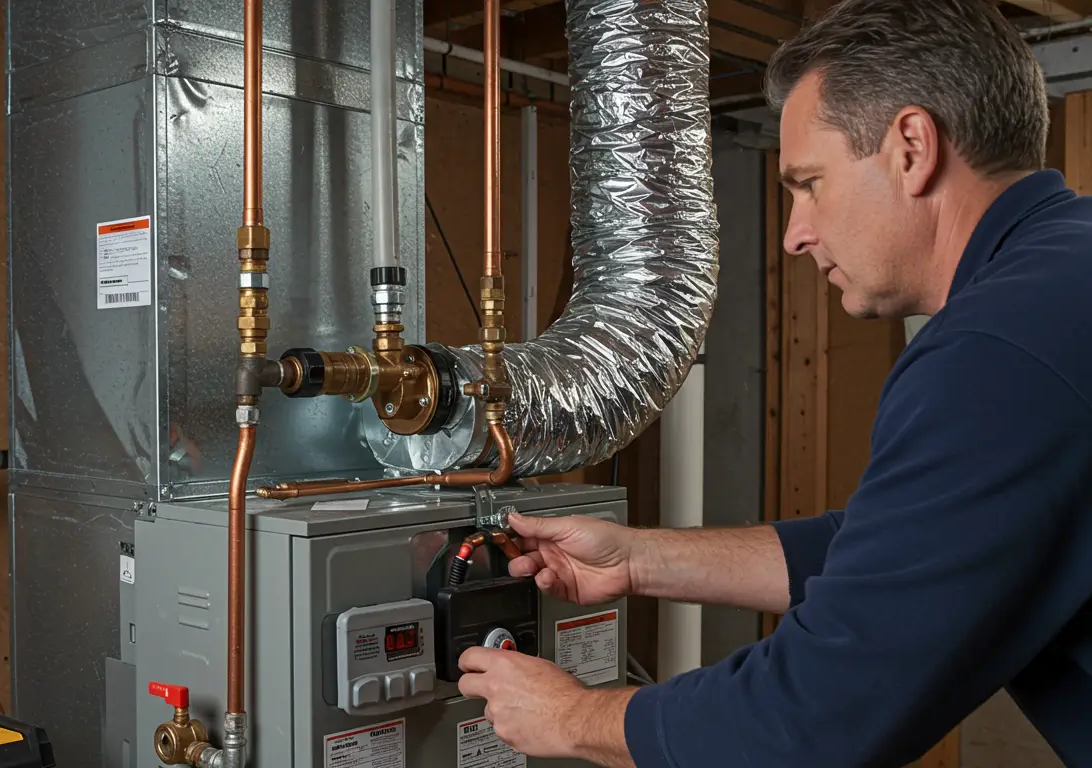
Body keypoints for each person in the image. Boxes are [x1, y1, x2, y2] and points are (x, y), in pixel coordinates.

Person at [455, 0, 1092, 765]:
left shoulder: (999, 349)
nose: (794, 233)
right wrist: (638, 559)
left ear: (912, 147)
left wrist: (573, 716)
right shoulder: (1062, 282)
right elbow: (901, 555)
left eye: (809, 183)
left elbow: (817, 720)